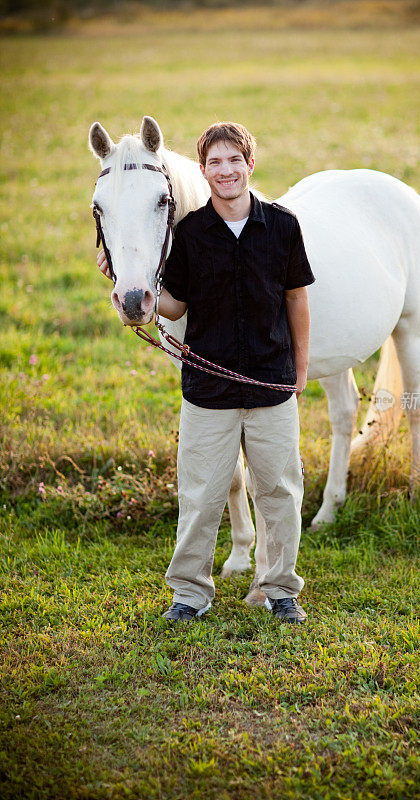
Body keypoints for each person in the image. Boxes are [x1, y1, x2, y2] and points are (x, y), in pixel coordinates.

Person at [98, 122, 314, 624]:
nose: (225, 171)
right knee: (199, 495)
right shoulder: (191, 234)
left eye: (233, 160)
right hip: (207, 391)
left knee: (280, 491)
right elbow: (174, 307)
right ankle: (190, 594)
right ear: (202, 171)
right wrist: (135, 292)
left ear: (249, 165)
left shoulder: (283, 226)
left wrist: (299, 371)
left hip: (269, 385)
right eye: (214, 163)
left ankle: (281, 588)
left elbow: (297, 298)